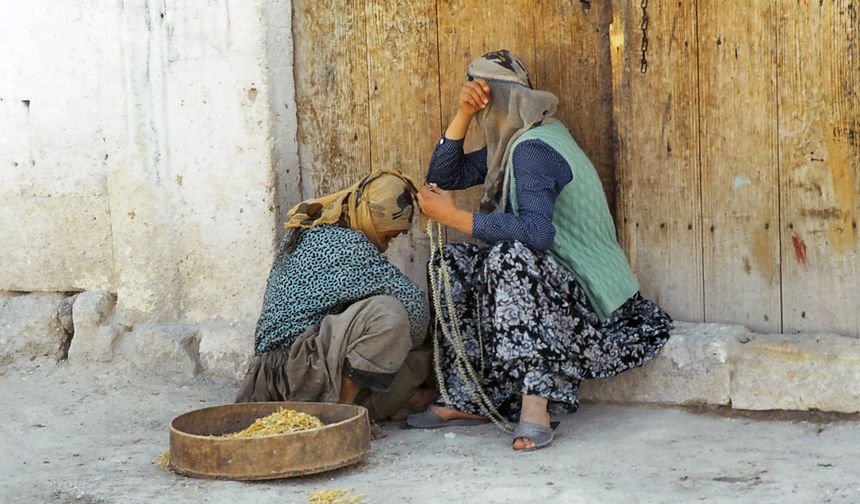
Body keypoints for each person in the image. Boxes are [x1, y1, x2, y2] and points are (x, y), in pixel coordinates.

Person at [409, 50, 673, 451]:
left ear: (496, 100)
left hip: (596, 307)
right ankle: (470, 398)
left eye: (480, 101)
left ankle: (536, 405)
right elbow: (444, 176)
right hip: (556, 290)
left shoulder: (534, 148)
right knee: (450, 261)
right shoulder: (511, 144)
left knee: (509, 258)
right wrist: (461, 115)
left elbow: (535, 233)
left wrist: (454, 218)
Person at [236, 169, 432, 422]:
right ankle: (340, 415)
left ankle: (375, 403)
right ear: (369, 217)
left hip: (282, 373)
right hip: (293, 372)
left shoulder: (308, 229)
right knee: (388, 315)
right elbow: (416, 316)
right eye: (388, 236)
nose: (386, 245)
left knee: (416, 358)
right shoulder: (348, 244)